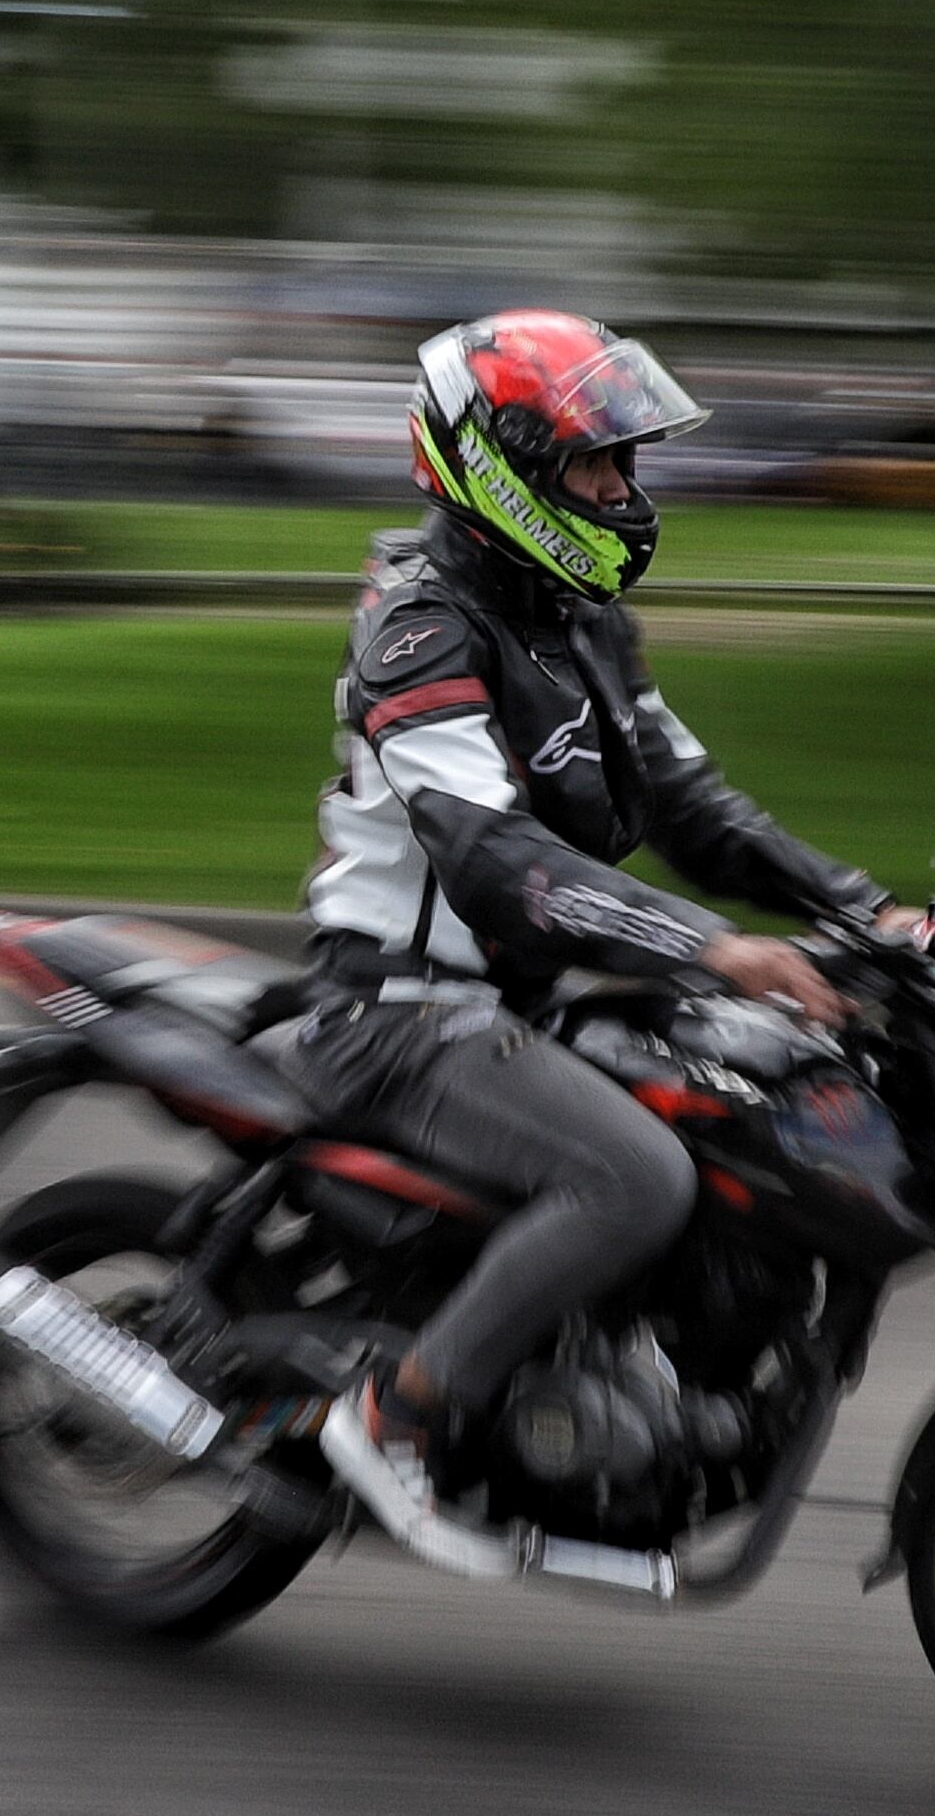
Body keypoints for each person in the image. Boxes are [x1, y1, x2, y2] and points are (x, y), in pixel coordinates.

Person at [295, 310, 896, 1573]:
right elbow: (491, 860)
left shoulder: (578, 620)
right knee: (634, 1175)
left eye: (625, 464)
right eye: (592, 465)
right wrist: (707, 947)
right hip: (400, 1013)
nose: (621, 492)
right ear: (493, 460)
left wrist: (861, 909)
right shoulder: (422, 628)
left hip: (520, 1003)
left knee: (757, 1098)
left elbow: (690, 804)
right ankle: (391, 1411)